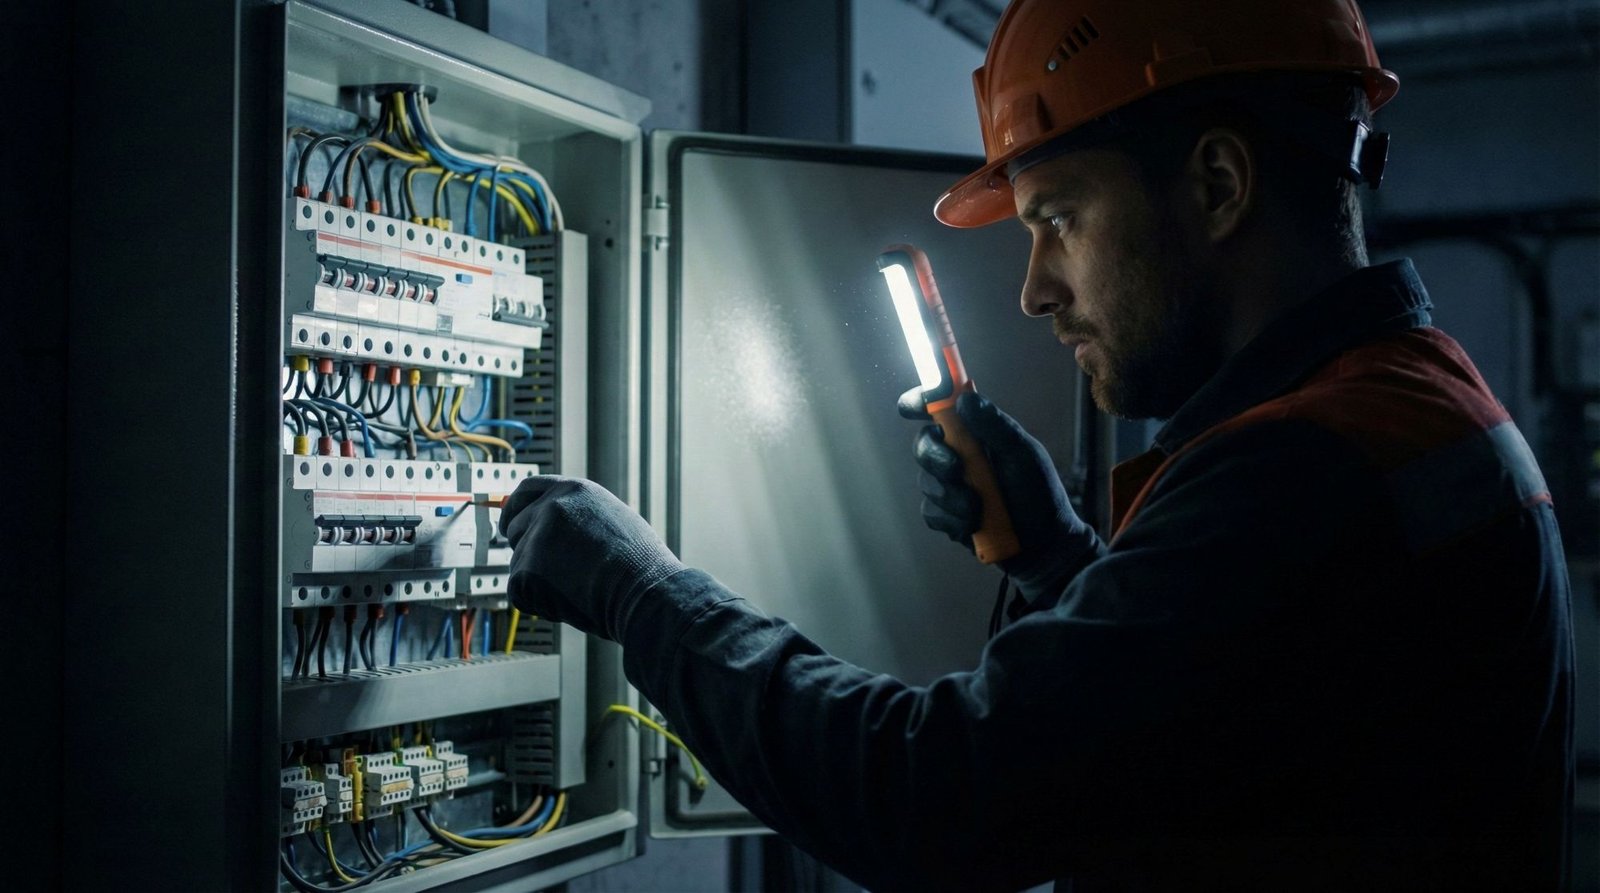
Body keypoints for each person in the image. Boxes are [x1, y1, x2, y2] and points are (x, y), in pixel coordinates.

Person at [500, 1, 1575, 889]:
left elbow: (937, 796)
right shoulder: (1408, 404)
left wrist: (640, 594)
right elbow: (1214, 739)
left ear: (1216, 184)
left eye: (1057, 217)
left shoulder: (1307, 469)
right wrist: (1057, 560)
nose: (1034, 290)